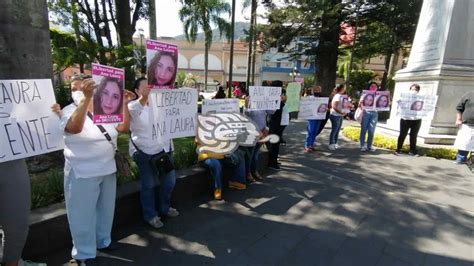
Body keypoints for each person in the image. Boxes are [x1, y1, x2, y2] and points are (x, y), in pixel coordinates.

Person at [53, 74, 133, 264]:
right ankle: (83, 253)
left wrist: (125, 103)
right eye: (74, 89)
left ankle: (103, 241)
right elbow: (74, 128)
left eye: (84, 87)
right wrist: (86, 99)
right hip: (81, 171)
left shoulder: (105, 109)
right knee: (81, 214)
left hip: (107, 168)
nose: (78, 92)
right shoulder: (67, 110)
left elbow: (122, 127)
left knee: (106, 210)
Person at [128, 78, 180, 229]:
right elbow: (135, 110)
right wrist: (144, 98)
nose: (151, 89)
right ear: (137, 91)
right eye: (146, 87)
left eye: (152, 87)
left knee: (169, 182)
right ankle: (150, 215)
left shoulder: (163, 105)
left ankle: (165, 208)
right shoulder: (132, 106)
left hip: (164, 150)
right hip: (144, 152)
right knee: (148, 185)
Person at [244, 96, 274, 180]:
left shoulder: (263, 104)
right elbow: (246, 113)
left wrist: (275, 100)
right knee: (251, 154)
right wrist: (246, 105)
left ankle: (254, 171)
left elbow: (272, 112)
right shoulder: (249, 104)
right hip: (252, 133)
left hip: (262, 132)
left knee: (256, 154)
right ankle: (248, 173)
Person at [395, 84, 422, 156]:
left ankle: (412, 150)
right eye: (413, 89)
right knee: (402, 134)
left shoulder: (421, 98)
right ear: (409, 90)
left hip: (417, 119)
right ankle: (398, 149)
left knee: (414, 135)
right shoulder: (405, 97)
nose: (414, 91)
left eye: (416, 90)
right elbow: (398, 101)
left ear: (418, 91)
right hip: (405, 118)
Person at [268, 91, 287, 170]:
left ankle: (274, 160)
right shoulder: (274, 101)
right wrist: (281, 102)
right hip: (275, 125)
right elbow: (274, 112)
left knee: (276, 144)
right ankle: (272, 162)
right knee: (274, 144)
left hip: (279, 124)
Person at [453, 91, 474, 164]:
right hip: (467, 125)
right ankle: (461, 160)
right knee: (464, 143)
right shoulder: (468, 95)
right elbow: (459, 108)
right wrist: (458, 119)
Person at [359, 82, 380, 152]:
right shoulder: (365, 94)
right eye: (372, 86)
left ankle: (369, 145)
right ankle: (362, 145)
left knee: (371, 131)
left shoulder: (379, 95)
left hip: (375, 113)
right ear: (369, 87)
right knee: (363, 129)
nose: (373, 87)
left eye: (375, 86)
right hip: (366, 112)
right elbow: (360, 104)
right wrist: (361, 104)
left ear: (377, 88)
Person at [305, 86, 323, 152]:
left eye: (319, 90)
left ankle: (311, 145)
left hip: (319, 117)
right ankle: (307, 145)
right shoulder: (310, 98)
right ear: (313, 91)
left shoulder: (322, 98)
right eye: (316, 90)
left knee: (315, 131)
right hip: (311, 117)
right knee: (311, 131)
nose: (318, 91)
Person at [328, 84, 347, 150]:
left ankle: (335, 143)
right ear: (341, 89)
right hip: (335, 115)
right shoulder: (337, 96)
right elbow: (334, 106)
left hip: (340, 115)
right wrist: (341, 112)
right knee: (334, 130)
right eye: (344, 88)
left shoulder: (341, 96)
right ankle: (331, 143)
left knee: (337, 130)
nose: (344, 89)